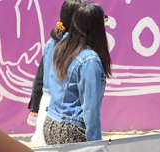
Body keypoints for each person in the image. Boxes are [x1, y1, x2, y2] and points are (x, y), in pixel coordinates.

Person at [43, 2, 112, 144]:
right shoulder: (89, 60)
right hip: (71, 128)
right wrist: (95, 144)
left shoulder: (57, 45)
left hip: (51, 122)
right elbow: (90, 110)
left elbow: (47, 85)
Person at [27, 0, 86, 145]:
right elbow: (41, 76)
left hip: (47, 105)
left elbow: (40, 77)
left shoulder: (52, 43)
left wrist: (35, 107)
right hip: (62, 111)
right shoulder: (77, 48)